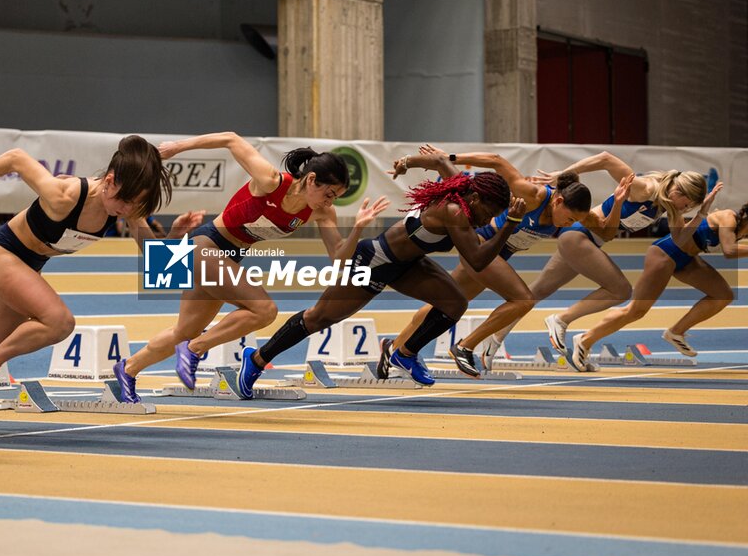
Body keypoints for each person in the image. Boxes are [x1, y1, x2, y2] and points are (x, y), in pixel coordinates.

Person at [0, 135, 202, 418]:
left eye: (134, 206)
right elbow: (15, 158)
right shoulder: (65, 194)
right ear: (111, 180)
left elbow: (162, 268)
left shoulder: (125, 210)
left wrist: (177, 234)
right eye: (125, 202)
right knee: (60, 322)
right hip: (0, 254)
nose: (127, 211)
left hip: (28, 265)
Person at [111, 131, 387, 403]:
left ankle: (127, 370)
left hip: (229, 256)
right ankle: (196, 349)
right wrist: (177, 147)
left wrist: (357, 229)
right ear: (311, 179)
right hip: (205, 245)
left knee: (183, 332)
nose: (330, 201)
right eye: (329, 194)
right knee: (264, 310)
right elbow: (231, 139)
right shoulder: (270, 181)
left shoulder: (322, 211)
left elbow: (339, 258)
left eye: (336, 197)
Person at [236, 151, 526, 399]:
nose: (489, 221)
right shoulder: (454, 212)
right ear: (474, 198)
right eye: (489, 213)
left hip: (408, 263)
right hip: (375, 260)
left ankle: (404, 353)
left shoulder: (460, 186)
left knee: (454, 304)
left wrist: (405, 162)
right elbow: (477, 260)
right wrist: (510, 224)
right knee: (319, 317)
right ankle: (257, 359)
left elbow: (438, 160)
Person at [386, 146, 594, 377]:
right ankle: (465, 347)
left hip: (496, 256)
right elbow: (496, 160)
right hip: (479, 245)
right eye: (570, 218)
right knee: (524, 300)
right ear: (559, 201)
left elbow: (604, 223)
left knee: (442, 304)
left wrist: (618, 202)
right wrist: (451, 158)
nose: (569, 224)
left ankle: (393, 350)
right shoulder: (533, 195)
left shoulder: (565, 213)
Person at [491, 154, 708, 365]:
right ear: (678, 190)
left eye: (690, 209)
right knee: (620, 290)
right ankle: (561, 319)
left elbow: (679, 238)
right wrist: (567, 173)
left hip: (586, 240)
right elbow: (606, 159)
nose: (686, 209)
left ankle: (491, 343)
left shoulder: (667, 204)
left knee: (534, 294)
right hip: (579, 235)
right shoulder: (645, 188)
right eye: (687, 204)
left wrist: (701, 215)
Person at [569, 185, 737, 371]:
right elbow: (730, 250)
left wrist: (702, 212)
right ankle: (585, 340)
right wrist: (703, 212)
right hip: (665, 254)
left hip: (687, 258)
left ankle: (676, 332)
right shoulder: (729, 218)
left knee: (722, 294)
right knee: (636, 310)